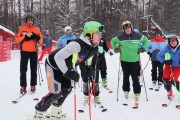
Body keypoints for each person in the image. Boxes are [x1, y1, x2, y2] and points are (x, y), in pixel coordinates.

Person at [32, 21, 104, 120]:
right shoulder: (77, 44)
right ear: (89, 34)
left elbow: (88, 57)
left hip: (65, 66)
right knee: (55, 92)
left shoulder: (94, 46)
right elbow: (58, 57)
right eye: (98, 34)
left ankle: (55, 112)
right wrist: (68, 72)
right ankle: (39, 112)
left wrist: (88, 68)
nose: (100, 36)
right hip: (53, 65)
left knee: (66, 89)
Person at [111, 21, 148, 101]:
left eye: (128, 28)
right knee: (126, 76)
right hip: (124, 60)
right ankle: (126, 90)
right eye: (125, 28)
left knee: (135, 77)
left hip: (135, 60)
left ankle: (137, 92)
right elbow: (113, 41)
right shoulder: (120, 37)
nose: (127, 30)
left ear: (131, 27)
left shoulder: (137, 35)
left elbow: (145, 40)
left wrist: (143, 48)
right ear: (123, 29)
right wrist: (115, 49)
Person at [15, 13, 43, 94]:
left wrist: (37, 37)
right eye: (28, 20)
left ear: (33, 21)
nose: (30, 21)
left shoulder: (36, 29)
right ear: (26, 20)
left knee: (33, 69)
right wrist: (25, 37)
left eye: (31, 20)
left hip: (34, 52)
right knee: (23, 69)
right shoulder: (22, 29)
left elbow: (41, 41)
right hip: (24, 52)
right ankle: (23, 86)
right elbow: (17, 40)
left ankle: (33, 85)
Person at [156, 34, 180, 99]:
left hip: (178, 67)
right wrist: (164, 61)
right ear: (169, 42)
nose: (172, 42)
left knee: (173, 80)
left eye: (174, 40)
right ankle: (169, 91)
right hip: (168, 66)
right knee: (165, 79)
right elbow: (158, 56)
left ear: (177, 40)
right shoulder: (167, 48)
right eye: (171, 41)